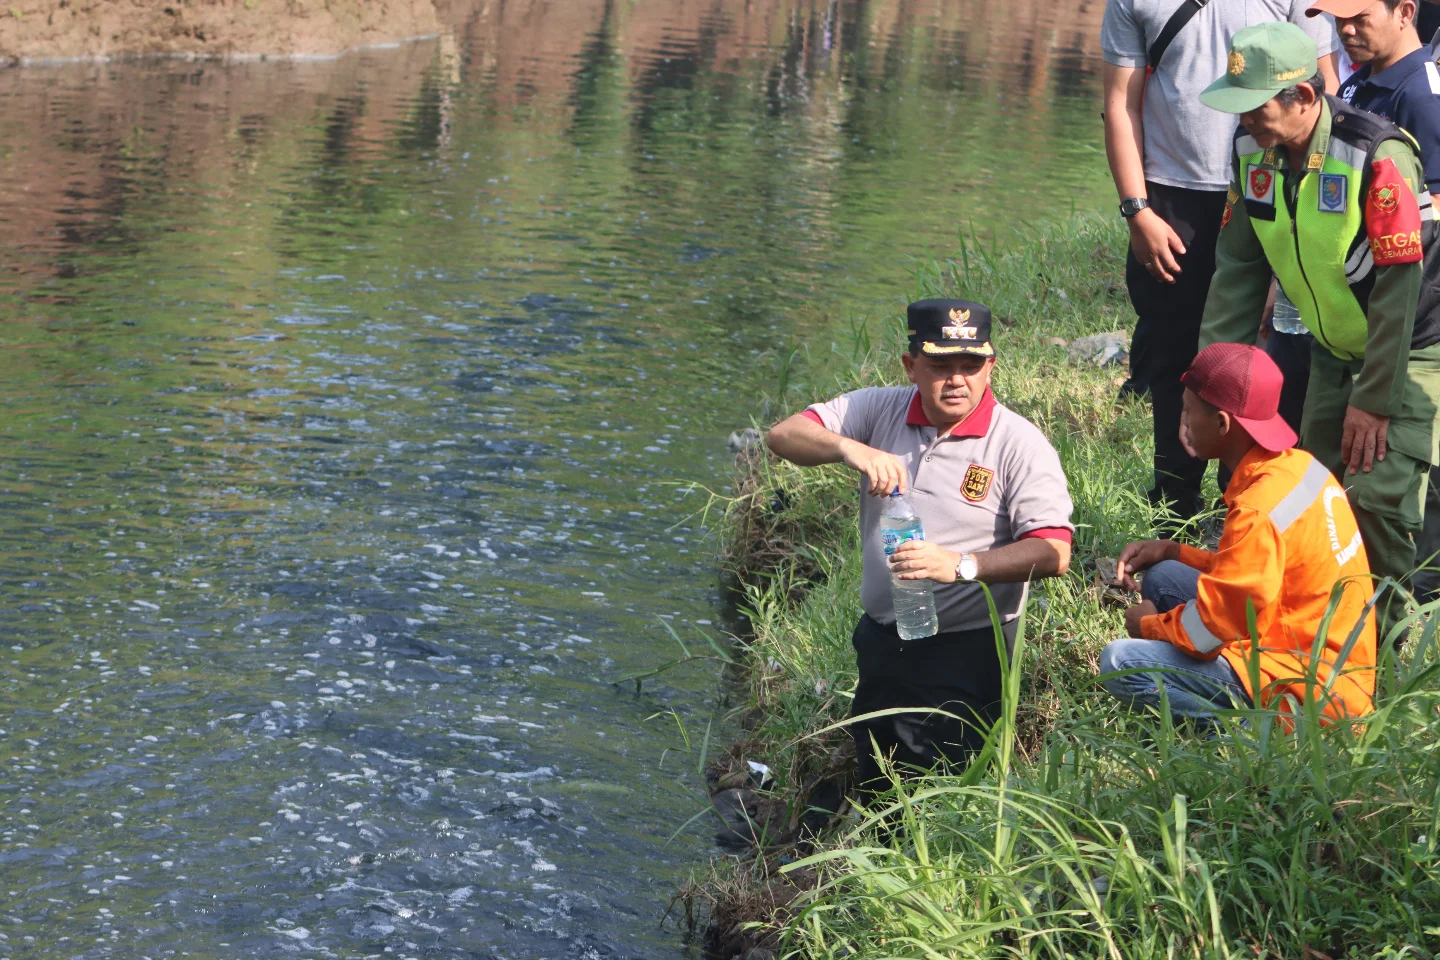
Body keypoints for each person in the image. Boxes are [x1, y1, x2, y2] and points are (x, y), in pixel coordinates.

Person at [764, 299, 1074, 795]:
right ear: (911, 366)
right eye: (940, 366)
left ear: (991, 367)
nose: (957, 380)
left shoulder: (1018, 443)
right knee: (877, 776)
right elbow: (783, 435)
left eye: (971, 365)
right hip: (883, 639)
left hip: (967, 651)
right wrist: (849, 448)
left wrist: (961, 565)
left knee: (942, 790)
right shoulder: (879, 409)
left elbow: (1054, 551)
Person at [1197, 21, 1440, 638]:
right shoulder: (1251, 150)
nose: (1244, 120)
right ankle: (1320, 640)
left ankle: (1388, 661)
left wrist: (1374, 400)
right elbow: (1237, 272)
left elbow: (1400, 288)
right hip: (1332, 345)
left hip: (1411, 348)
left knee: (1379, 499)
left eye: (1255, 107)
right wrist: (1209, 387)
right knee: (1318, 493)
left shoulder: (1377, 155)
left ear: (1304, 96)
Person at [1101, 0, 1337, 523]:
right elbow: (1120, 102)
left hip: (1270, 182)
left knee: (1268, 357)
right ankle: (1174, 505)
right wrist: (1137, 209)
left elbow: (1321, 84)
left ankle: (1251, 502)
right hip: (1173, 197)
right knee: (1175, 355)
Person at [1102, 343, 1377, 726]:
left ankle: (1250, 732)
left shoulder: (1257, 508)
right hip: (1331, 663)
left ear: (1222, 423)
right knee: (1164, 575)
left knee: (1119, 662)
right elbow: (1250, 573)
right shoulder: (1301, 467)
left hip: (1304, 691)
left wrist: (1148, 626)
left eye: (1188, 410)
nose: (1183, 421)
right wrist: (1172, 551)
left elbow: (1209, 633)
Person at [1320, 0, 1440, 602]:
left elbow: (1430, 222)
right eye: (1336, 18)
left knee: (1402, 487)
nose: (1345, 29)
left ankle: (1408, 618)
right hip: (1356, 320)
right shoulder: (1356, 84)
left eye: (1359, 16)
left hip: (1416, 321)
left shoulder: (1422, 94)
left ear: (1405, 12)